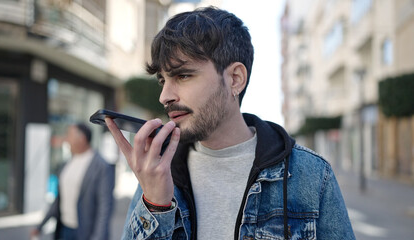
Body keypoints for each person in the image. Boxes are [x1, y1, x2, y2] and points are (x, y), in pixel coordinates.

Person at [105, 6, 355, 240]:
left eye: (183, 75)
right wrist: (155, 204)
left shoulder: (311, 176)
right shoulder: (160, 171)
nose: (164, 96)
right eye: (163, 80)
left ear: (235, 79)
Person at [31, 123, 115, 240]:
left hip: (86, 233)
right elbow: (58, 200)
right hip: (64, 229)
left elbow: (105, 207)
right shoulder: (66, 164)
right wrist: (40, 226)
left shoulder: (101, 167)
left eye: (69, 135)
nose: (66, 139)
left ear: (82, 139)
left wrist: (98, 237)